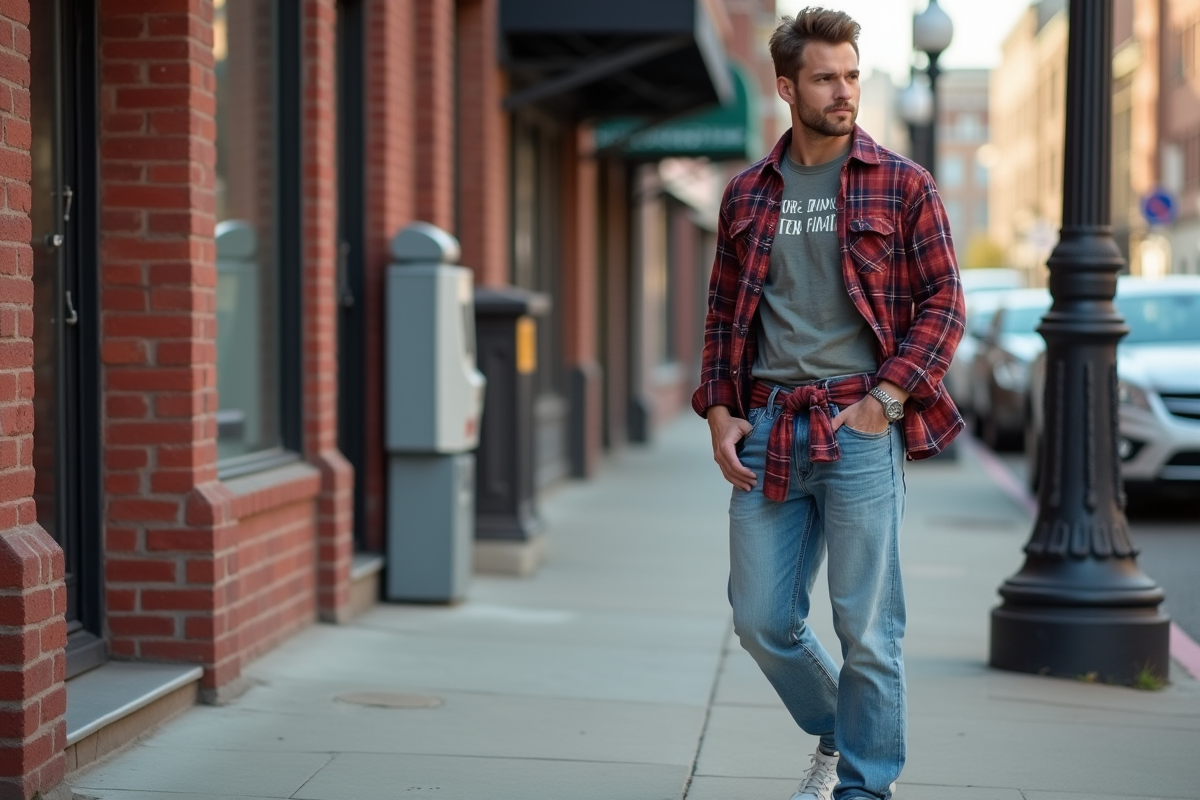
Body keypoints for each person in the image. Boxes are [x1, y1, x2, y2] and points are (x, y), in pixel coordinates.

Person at [692, 8, 965, 800]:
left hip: (857, 426)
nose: (845, 92)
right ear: (786, 87)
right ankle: (843, 731)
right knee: (761, 619)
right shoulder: (746, 195)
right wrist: (719, 412)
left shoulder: (903, 183)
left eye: (851, 75)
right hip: (770, 426)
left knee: (869, 632)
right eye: (824, 78)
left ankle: (863, 787)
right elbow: (719, 316)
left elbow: (945, 303)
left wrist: (886, 397)